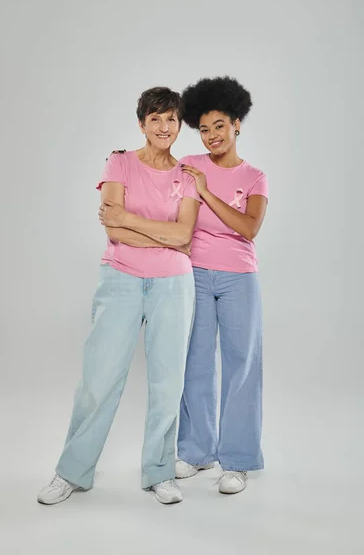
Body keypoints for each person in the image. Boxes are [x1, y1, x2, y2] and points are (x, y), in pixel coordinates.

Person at [37, 87, 201, 506]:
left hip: (174, 286)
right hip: (121, 280)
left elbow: (184, 235)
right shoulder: (120, 162)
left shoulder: (187, 176)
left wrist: (132, 220)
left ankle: (160, 473)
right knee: (98, 379)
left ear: (179, 124)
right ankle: (71, 472)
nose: (164, 127)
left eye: (171, 119)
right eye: (155, 119)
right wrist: (159, 236)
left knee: (168, 384)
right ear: (142, 123)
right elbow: (112, 230)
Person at [176, 76, 268, 495]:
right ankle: (196, 452)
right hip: (192, 272)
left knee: (240, 367)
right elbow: (160, 179)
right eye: (204, 128)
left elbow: (248, 228)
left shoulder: (254, 177)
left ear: (237, 124)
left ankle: (238, 460)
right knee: (194, 362)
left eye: (219, 126)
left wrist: (207, 194)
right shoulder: (191, 163)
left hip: (238, 278)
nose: (211, 135)